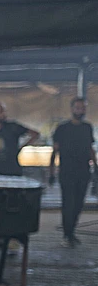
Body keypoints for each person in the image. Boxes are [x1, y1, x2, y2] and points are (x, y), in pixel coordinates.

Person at [49, 97, 96, 248]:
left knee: (78, 204)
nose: (80, 111)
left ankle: (71, 232)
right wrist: (51, 172)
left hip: (83, 172)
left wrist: (95, 167)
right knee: (68, 203)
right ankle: (67, 234)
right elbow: (54, 151)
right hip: (67, 172)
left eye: (82, 108)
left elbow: (90, 149)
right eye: (78, 108)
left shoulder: (87, 128)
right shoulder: (62, 128)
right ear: (72, 109)